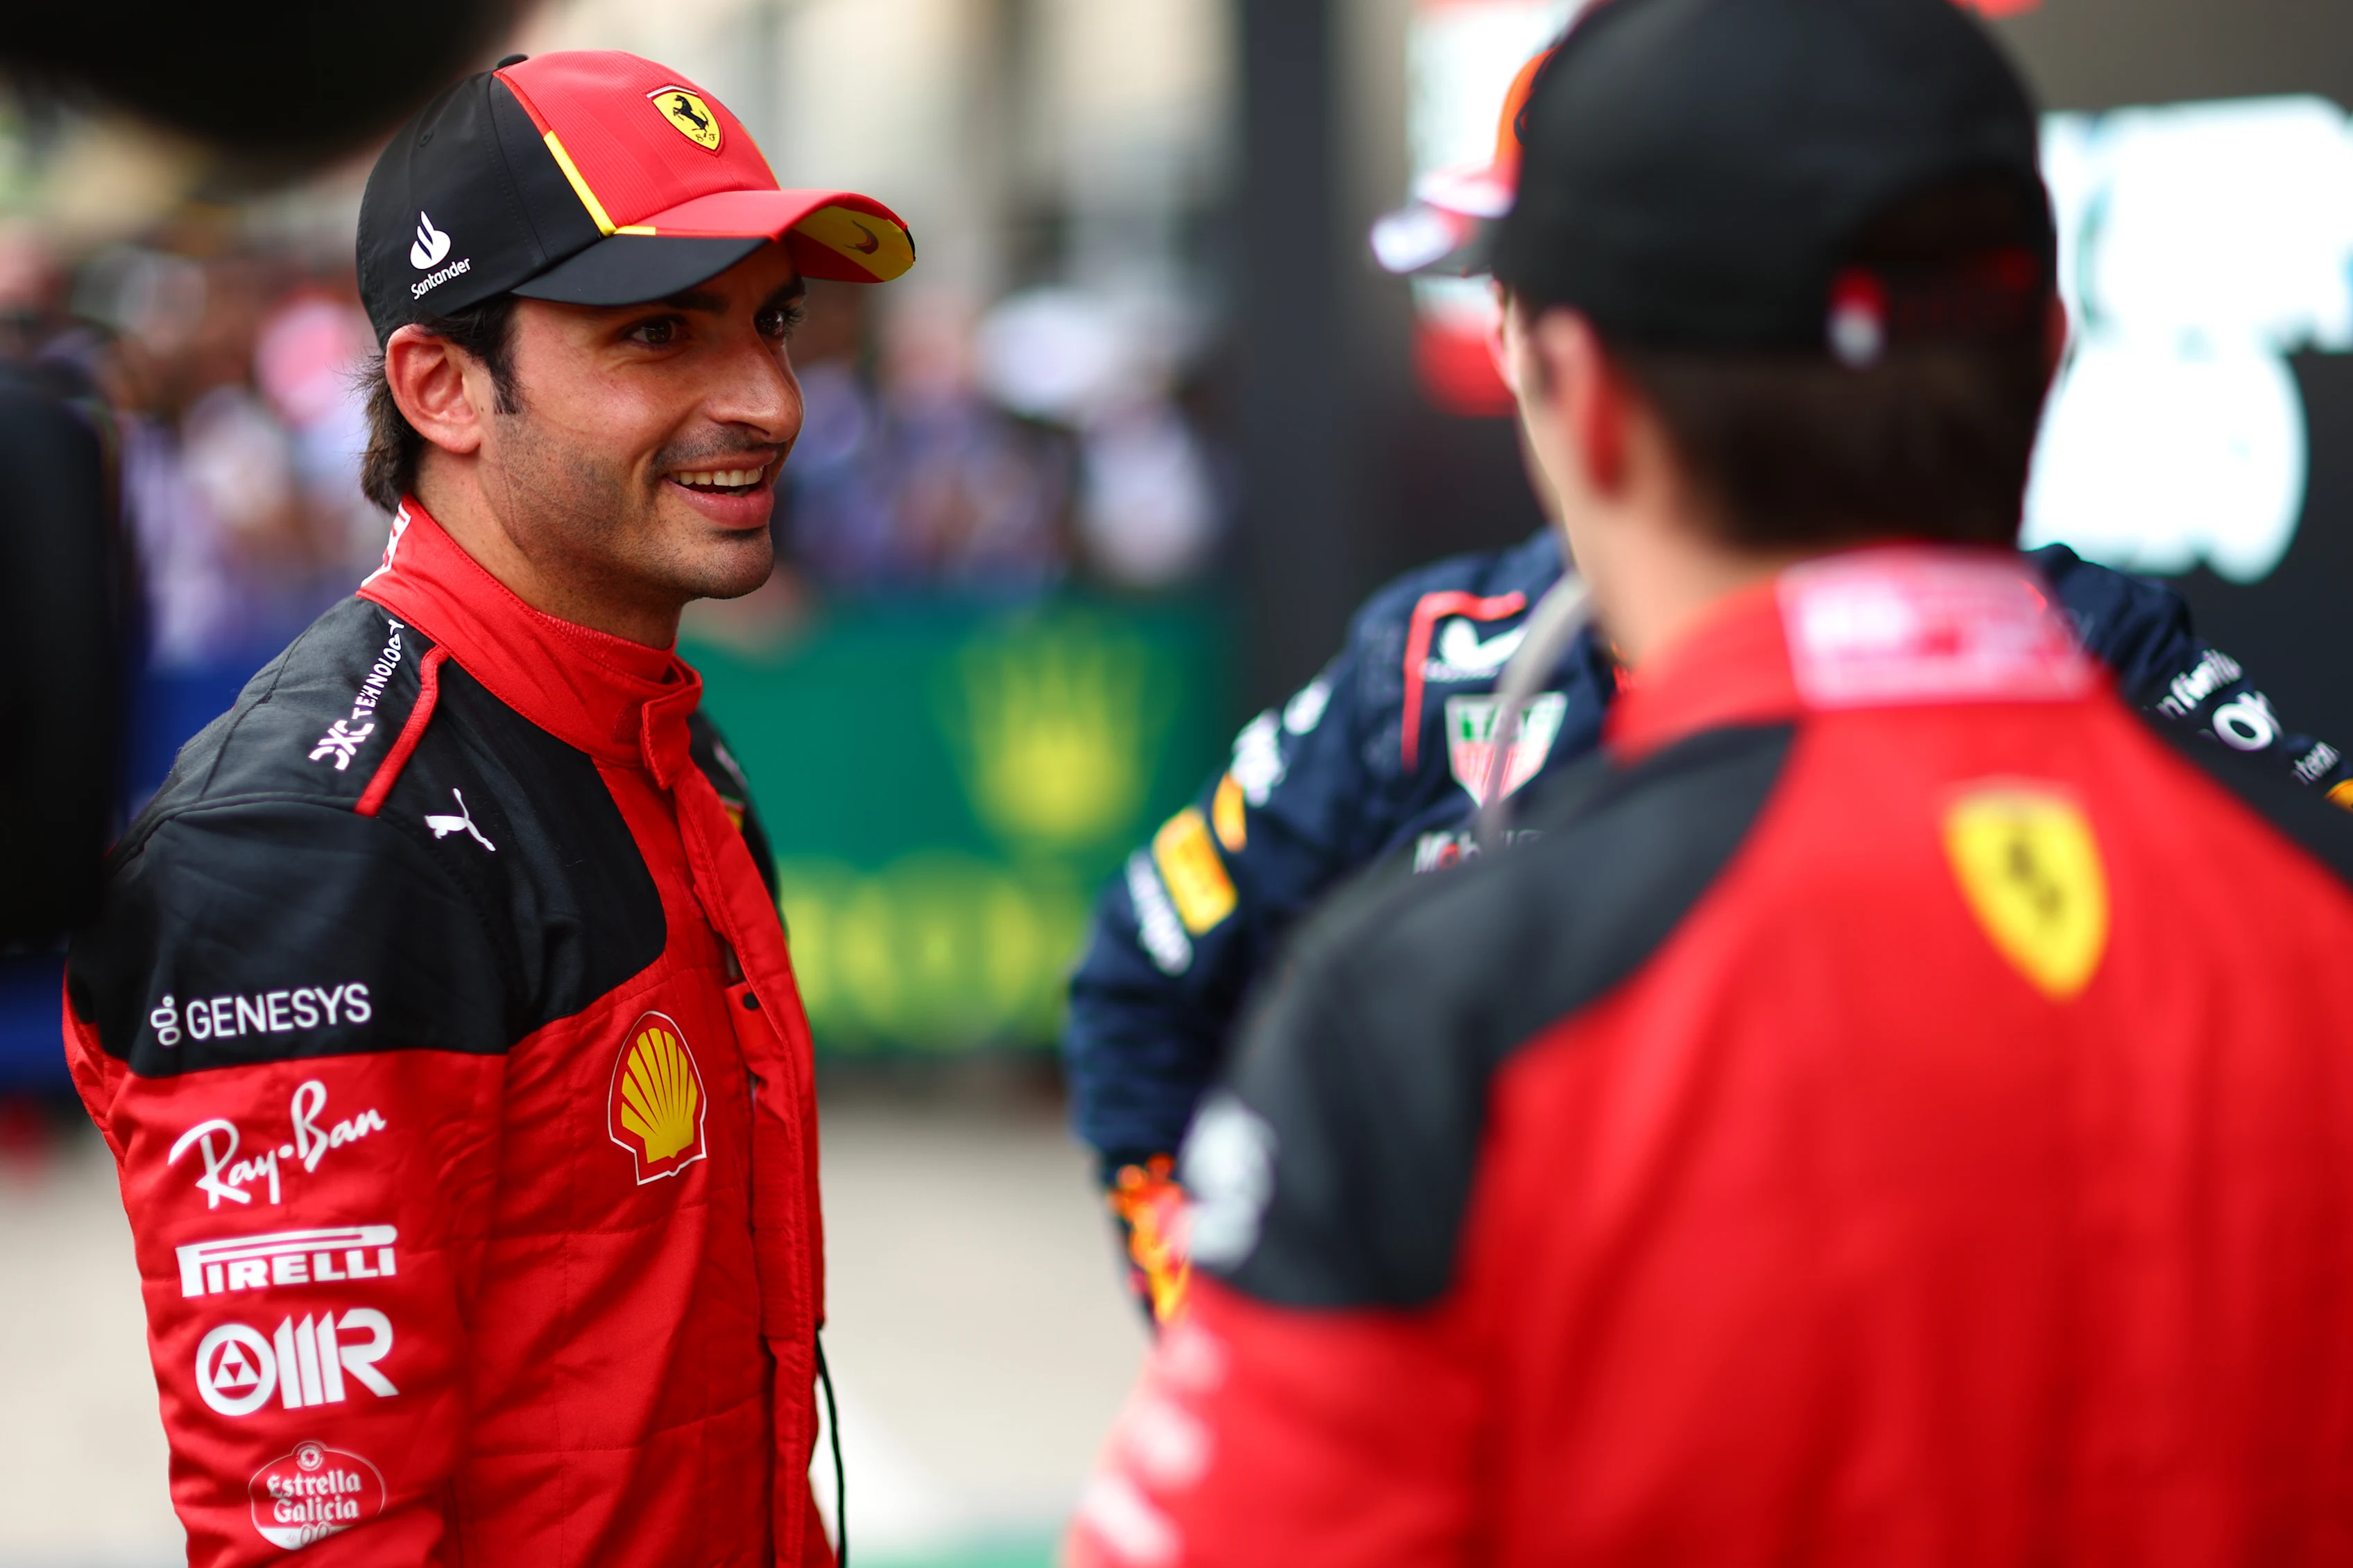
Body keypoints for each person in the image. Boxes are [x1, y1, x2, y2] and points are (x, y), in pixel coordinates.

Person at [1069, 0, 2353, 1560]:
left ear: (1580, 385)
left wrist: (1288, 1331)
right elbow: (1139, 983)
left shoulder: (1422, 1021)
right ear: (2049, 355)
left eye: (1512, 301)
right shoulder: (2302, 887)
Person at [62, 51, 912, 1566]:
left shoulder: (659, 741)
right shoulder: (309, 843)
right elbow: (314, 1527)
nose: (768, 400)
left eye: (770, 322)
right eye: (660, 331)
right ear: (439, 387)